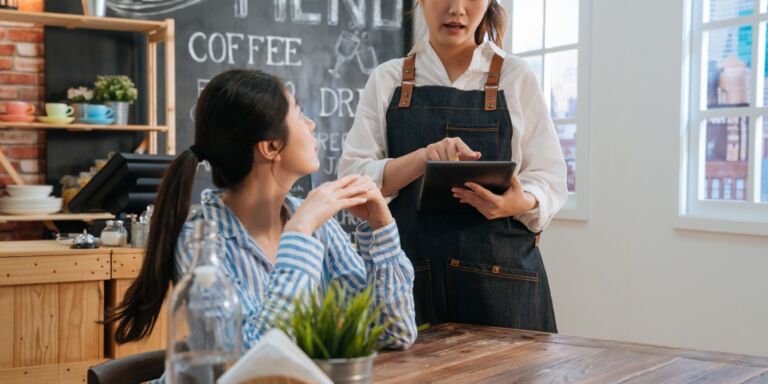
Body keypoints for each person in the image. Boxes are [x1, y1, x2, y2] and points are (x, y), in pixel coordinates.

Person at [108, 69, 417, 353]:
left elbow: (392, 332)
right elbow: (250, 360)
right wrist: (298, 234)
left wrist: (381, 226)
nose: (311, 125)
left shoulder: (316, 225)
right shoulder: (201, 243)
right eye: (299, 114)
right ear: (270, 147)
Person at [338, 0, 567, 332]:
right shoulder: (388, 80)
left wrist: (519, 202)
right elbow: (353, 180)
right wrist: (422, 158)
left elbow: (549, 177)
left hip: (502, 286)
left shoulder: (515, 77)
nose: (457, 8)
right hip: (410, 287)